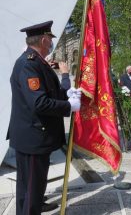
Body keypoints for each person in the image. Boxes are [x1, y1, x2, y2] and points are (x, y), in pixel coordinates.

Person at [6, 21, 82, 215]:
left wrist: (68, 93)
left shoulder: (37, 62)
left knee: (33, 186)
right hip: (33, 137)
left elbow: (51, 92)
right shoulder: (28, 64)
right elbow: (39, 102)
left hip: (36, 135)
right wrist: (69, 106)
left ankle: (35, 205)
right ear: (43, 39)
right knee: (30, 188)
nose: (51, 44)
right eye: (50, 41)